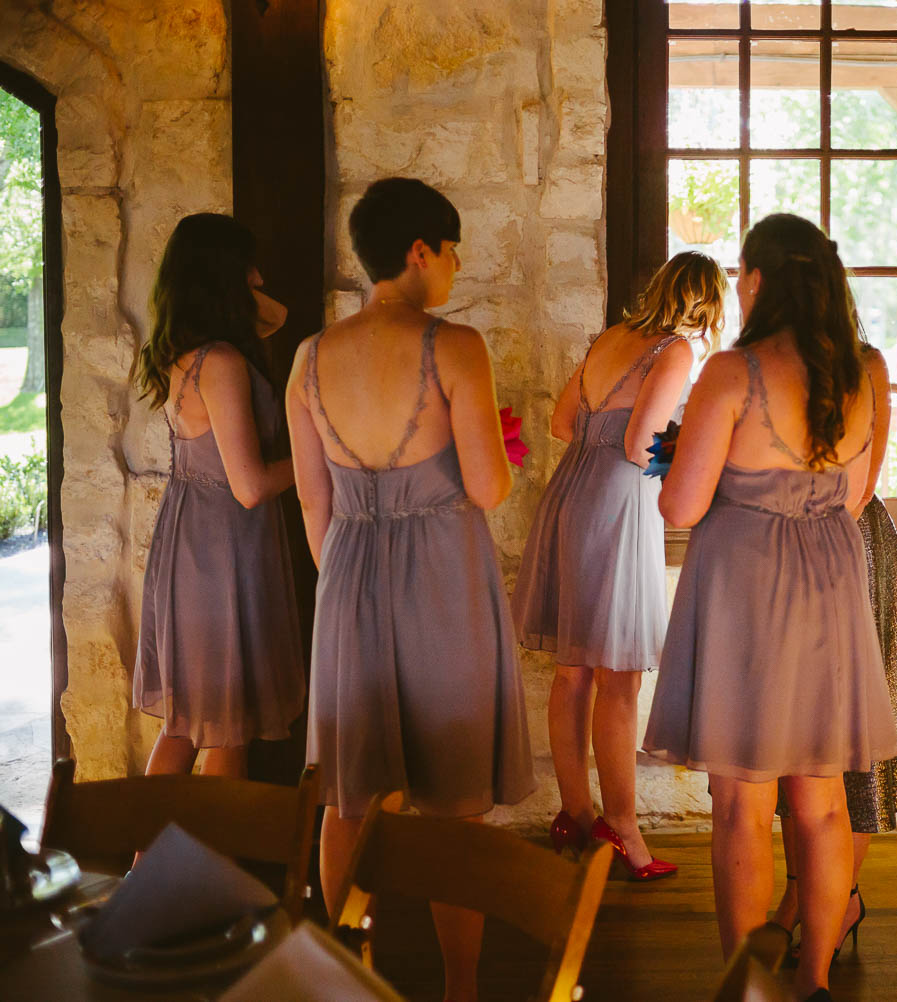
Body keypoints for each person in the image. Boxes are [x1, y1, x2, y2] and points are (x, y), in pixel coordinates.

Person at [288, 178, 535, 1002]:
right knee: (454, 798)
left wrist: (355, 583)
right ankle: (459, 987)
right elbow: (490, 488)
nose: (457, 267)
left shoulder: (309, 358)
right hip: (444, 576)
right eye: (453, 249)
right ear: (419, 252)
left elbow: (313, 506)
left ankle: (346, 974)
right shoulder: (454, 346)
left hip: (349, 573)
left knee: (349, 791)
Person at [642, 214, 897, 1002]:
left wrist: (706, 467)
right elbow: (855, 499)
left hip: (745, 585)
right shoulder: (866, 370)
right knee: (819, 804)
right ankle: (816, 978)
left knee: (741, 804)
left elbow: (680, 508)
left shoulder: (732, 373)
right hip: (828, 580)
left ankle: (745, 984)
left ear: (755, 280)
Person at [514, 251, 726, 879]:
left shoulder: (609, 338)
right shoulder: (676, 351)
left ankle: (574, 815)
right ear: (705, 304)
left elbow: (559, 423)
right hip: (617, 501)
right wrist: (690, 457)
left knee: (572, 671)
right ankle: (624, 829)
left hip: (568, 492)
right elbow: (640, 445)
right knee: (621, 676)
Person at [770, 341, 897, 960]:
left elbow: (862, 486)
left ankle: (840, 899)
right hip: (780, 547)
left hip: (848, 547)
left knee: (847, 747)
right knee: (794, 740)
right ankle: (798, 895)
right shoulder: (765, 361)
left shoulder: (866, 363)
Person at [132, 213, 305, 780]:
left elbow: (276, 317)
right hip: (223, 548)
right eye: (247, 266)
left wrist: (244, 293)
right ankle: (205, 868)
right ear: (224, 273)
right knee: (228, 730)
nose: (259, 276)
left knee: (184, 725)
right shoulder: (224, 363)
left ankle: (146, 866)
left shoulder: (186, 354)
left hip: (191, 541)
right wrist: (321, 458)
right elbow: (251, 486)